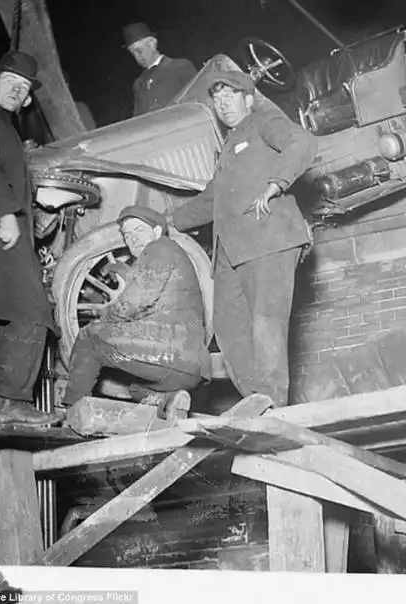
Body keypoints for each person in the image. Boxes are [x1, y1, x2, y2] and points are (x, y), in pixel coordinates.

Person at [170, 70, 317, 407]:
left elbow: (303, 142)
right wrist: (167, 222)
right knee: (228, 327)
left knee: (267, 324)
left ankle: (271, 401)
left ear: (248, 99)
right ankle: (255, 400)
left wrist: (276, 183)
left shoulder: (264, 122)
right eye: (217, 100)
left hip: (268, 239)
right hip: (231, 252)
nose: (223, 104)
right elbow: (212, 199)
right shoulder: (228, 148)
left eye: (230, 96)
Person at [0, 51, 61, 427]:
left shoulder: (1, 123)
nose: (17, 89)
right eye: (11, 81)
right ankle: (11, 400)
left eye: (23, 87)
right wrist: (7, 213)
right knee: (34, 310)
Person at [60, 206, 210, 416]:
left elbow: (133, 301)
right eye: (127, 235)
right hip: (192, 366)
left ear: (157, 231)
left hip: (172, 353)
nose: (132, 239)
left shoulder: (160, 247)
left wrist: (106, 319)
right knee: (136, 388)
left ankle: (71, 413)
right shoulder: (170, 254)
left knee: (89, 338)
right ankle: (169, 400)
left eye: (139, 230)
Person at [123, 22, 197, 116]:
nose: (137, 56)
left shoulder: (180, 67)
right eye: (133, 53)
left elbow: (198, 100)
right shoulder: (138, 84)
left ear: (152, 44)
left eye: (139, 50)